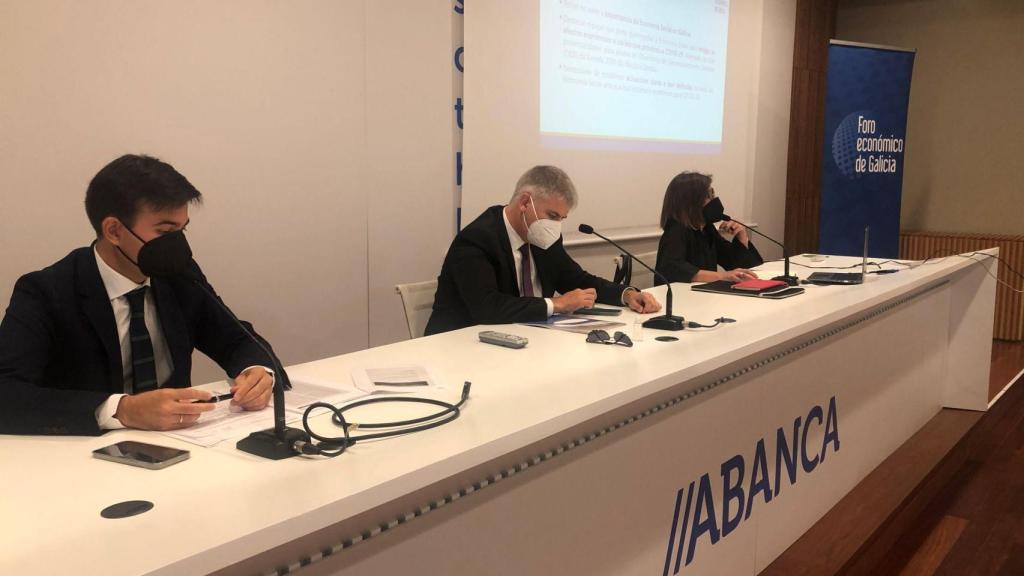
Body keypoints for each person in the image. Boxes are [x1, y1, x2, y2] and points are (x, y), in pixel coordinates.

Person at [0, 154, 281, 436]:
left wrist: (257, 371)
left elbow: (234, 337)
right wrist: (122, 410)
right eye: (165, 231)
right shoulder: (46, 291)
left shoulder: (178, 275)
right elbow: (6, 392)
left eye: (182, 230)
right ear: (113, 230)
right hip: (83, 456)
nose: (178, 246)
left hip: (183, 442)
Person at [425, 165, 661, 335]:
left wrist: (626, 294)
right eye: (553, 216)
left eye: (562, 218)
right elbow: (488, 308)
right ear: (525, 203)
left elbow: (575, 279)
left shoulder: (541, 234)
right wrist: (556, 304)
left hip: (527, 339)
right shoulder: (477, 239)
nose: (556, 225)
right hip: (462, 345)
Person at [654, 172, 763, 284]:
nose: (714, 200)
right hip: (681, 298)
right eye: (709, 195)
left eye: (713, 194)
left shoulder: (706, 229)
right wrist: (722, 276)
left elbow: (733, 263)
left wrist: (742, 237)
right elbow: (674, 268)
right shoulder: (676, 230)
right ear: (692, 201)